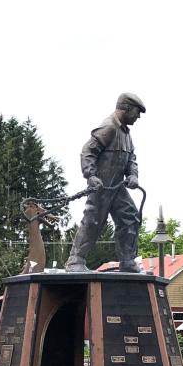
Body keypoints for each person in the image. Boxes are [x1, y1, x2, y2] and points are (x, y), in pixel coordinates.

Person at [65, 93, 145, 273]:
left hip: (117, 187)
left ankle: (127, 260)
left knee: (130, 217)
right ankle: (75, 261)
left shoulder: (126, 133)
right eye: (137, 112)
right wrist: (91, 176)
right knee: (93, 221)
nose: (138, 117)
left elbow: (131, 158)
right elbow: (88, 152)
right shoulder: (109, 127)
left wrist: (133, 175)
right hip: (101, 186)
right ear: (126, 108)